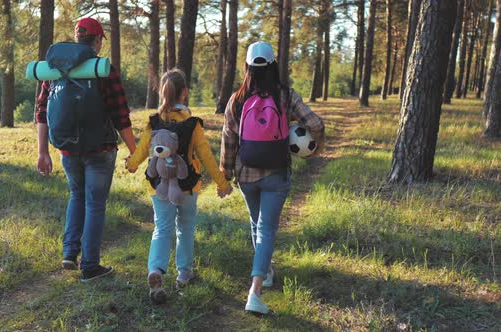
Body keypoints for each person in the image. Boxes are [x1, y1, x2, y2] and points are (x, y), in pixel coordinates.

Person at [220, 41, 325, 314]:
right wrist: (316, 149)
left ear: (247, 67)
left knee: (257, 225)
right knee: (265, 229)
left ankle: (264, 273)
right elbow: (315, 124)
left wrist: (226, 172)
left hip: (246, 173)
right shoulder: (285, 96)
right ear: (272, 65)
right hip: (276, 174)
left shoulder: (237, 99)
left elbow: (228, 139)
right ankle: (255, 291)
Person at [36, 17, 136, 282]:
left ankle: (69, 253)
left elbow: (42, 111)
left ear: (77, 38)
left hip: (67, 149)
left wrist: (42, 152)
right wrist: (135, 151)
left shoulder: (55, 68)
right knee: (94, 204)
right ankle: (90, 266)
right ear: (98, 40)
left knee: (76, 196)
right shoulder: (103, 68)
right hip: (99, 149)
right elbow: (120, 114)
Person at [126, 69, 232, 304]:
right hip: (187, 187)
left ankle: (155, 270)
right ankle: (184, 273)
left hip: (159, 187)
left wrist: (132, 164)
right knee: (185, 227)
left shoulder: (154, 121)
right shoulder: (192, 124)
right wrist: (222, 183)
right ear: (184, 93)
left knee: (162, 229)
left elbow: (143, 149)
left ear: (162, 92)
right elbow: (206, 157)